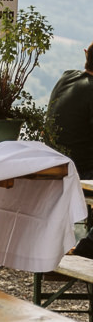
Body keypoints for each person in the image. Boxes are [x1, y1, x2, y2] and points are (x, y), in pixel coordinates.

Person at [46, 42, 93, 257]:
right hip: (81, 171)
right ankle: (89, 246)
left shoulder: (66, 78)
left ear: (85, 54)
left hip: (56, 164)